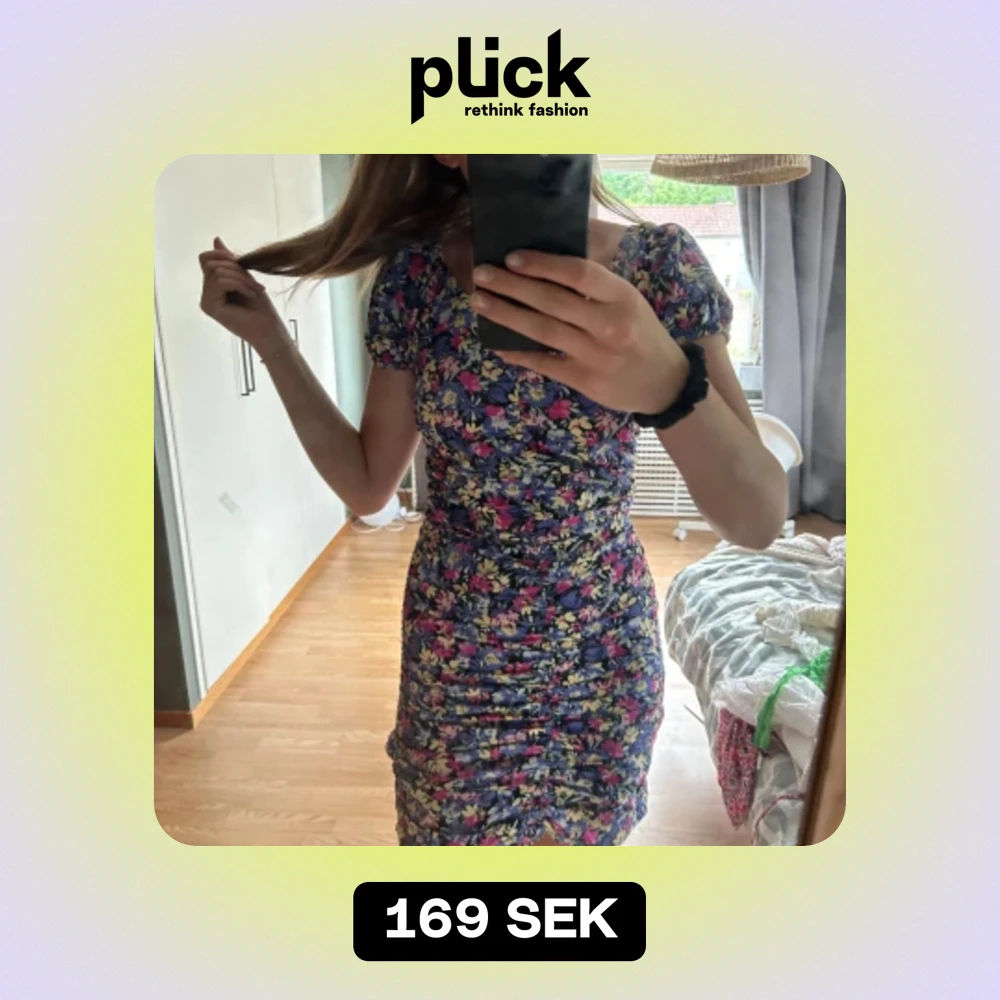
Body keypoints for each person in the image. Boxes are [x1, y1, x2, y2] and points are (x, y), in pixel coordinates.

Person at [198, 154, 787, 846]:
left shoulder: (657, 268)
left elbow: (757, 518)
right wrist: (272, 342)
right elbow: (366, 484)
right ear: (449, 146)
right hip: (458, 658)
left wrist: (668, 385)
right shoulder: (416, 280)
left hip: (600, 652)